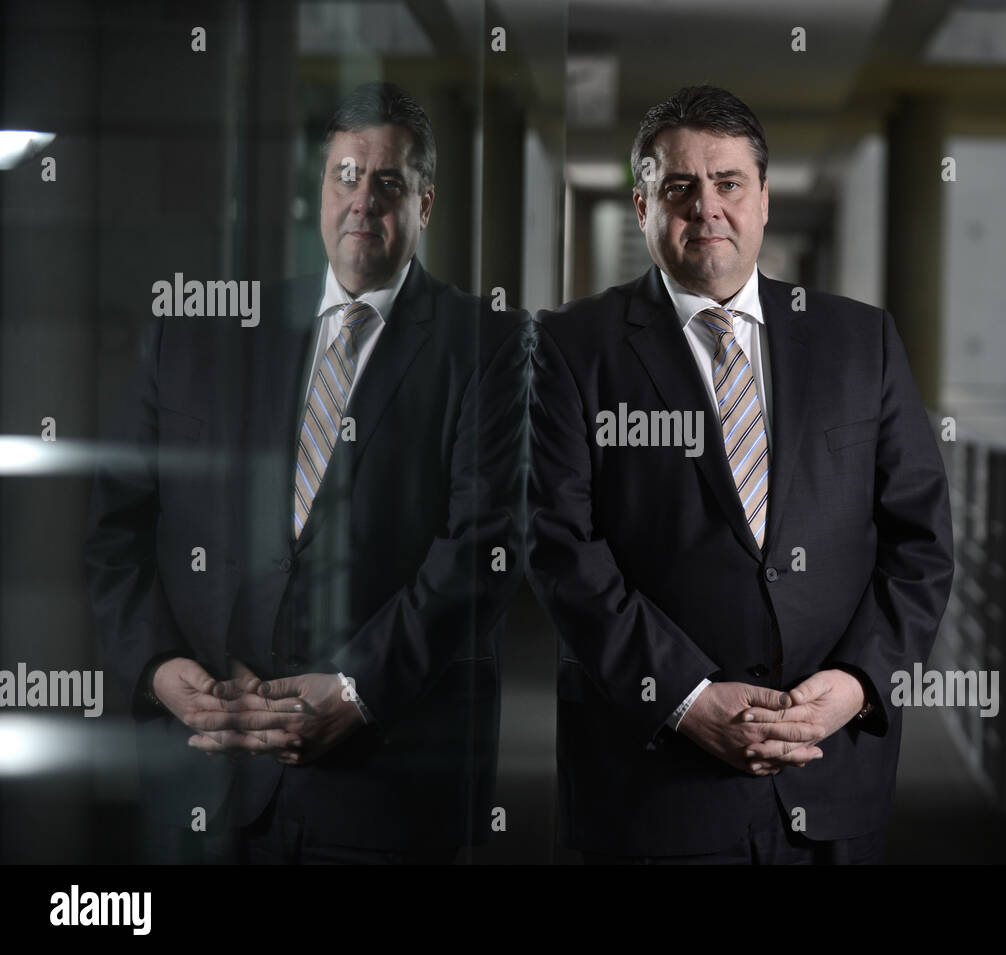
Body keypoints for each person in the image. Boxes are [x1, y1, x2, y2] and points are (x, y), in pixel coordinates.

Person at [85, 82, 527, 863]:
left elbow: (479, 550)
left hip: (381, 791)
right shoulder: (210, 336)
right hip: (205, 778)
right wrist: (159, 670)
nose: (362, 200)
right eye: (345, 176)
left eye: (388, 182)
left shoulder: (489, 346)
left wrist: (356, 692)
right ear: (319, 190)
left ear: (425, 203)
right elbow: (115, 527)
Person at [527, 85, 954, 863]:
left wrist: (859, 682)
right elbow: (561, 548)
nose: (706, 207)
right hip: (655, 785)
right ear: (642, 204)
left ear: (763, 197)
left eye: (728, 183)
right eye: (679, 187)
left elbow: (920, 541)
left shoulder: (863, 341)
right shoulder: (570, 348)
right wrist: (685, 699)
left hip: (831, 773)